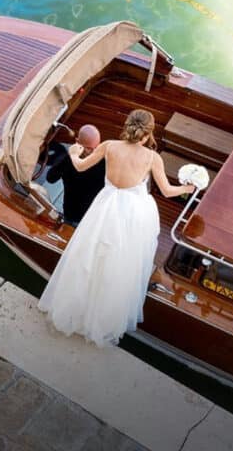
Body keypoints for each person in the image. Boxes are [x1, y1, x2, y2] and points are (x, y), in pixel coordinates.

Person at [38, 108, 196, 347]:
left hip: (105, 207)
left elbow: (80, 166)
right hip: (134, 214)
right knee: (122, 263)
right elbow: (166, 191)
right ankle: (104, 318)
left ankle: (76, 310)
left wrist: (73, 152)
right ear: (148, 133)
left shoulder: (109, 146)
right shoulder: (153, 158)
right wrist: (187, 189)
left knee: (90, 256)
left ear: (127, 127)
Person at [46, 124, 105, 226]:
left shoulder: (103, 160)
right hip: (71, 215)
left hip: (93, 217)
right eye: (89, 148)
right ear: (77, 142)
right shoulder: (67, 160)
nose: (94, 152)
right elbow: (50, 178)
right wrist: (69, 157)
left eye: (96, 147)